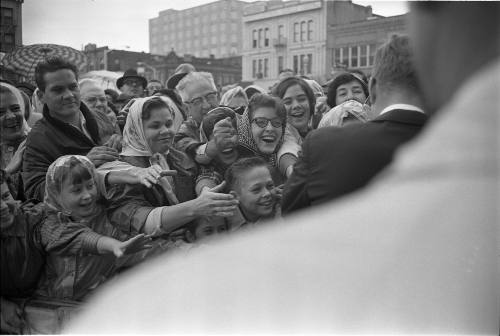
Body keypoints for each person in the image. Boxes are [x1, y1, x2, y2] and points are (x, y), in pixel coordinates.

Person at [68, 2, 499, 333]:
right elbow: (91, 172)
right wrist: (199, 181)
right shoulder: (179, 154)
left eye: (280, 121)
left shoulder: (157, 308)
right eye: (260, 122)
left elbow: (287, 205)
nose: (271, 129)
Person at [283, 34, 428, 214]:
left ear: (372, 90)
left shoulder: (322, 146)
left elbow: (291, 217)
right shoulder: (466, 151)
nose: (350, 97)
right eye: (342, 93)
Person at [100, 97, 239, 240]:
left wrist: (205, 190)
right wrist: (196, 207)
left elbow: (204, 172)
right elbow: (134, 217)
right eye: (155, 126)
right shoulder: (120, 169)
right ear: (136, 130)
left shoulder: (178, 156)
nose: (165, 131)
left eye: (168, 124)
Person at [36, 155, 153, 301]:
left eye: (90, 186)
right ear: (57, 195)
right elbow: (76, 237)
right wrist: (113, 245)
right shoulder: (49, 222)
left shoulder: (107, 220)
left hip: (92, 307)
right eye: (77, 190)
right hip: (50, 306)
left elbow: (139, 249)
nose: (87, 195)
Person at [22, 57, 120, 202]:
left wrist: (121, 142)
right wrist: (81, 165)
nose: (68, 95)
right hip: (83, 219)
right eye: (58, 90)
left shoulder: (100, 116)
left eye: (72, 87)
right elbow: (35, 191)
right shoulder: (38, 138)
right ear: (42, 97)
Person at [174, 71, 235, 165]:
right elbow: (196, 152)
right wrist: (215, 144)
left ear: (218, 96)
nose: (206, 105)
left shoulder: (233, 116)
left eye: (210, 97)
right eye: (197, 101)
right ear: (186, 108)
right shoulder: (182, 132)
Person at [237, 93, 286, 184]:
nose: (270, 128)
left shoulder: (282, 158)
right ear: (247, 126)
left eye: (277, 122)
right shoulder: (235, 162)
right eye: (261, 122)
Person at [274, 77, 316, 177]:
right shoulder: (283, 136)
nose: (296, 105)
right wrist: (293, 172)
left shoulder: (314, 133)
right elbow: (287, 153)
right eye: (288, 102)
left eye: (301, 99)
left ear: (311, 103)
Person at [224, 157, 281, 227]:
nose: (267, 193)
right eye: (256, 189)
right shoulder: (222, 222)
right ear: (235, 196)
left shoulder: (285, 213)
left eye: (270, 186)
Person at [195, 107, 238, 195]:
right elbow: (206, 178)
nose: (226, 142)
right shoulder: (211, 168)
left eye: (231, 134)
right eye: (217, 138)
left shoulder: (253, 155)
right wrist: (205, 191)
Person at [0, 83, 31, 200]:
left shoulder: (39, 141)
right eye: (1, 112)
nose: (11, 116)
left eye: (16, 108)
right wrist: (8, 171)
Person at [79, 79, 121, 143]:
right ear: (79, 102)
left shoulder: (119, 121)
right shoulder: (75, 127)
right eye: (91, 100)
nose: (99, 104)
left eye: (102, 99)